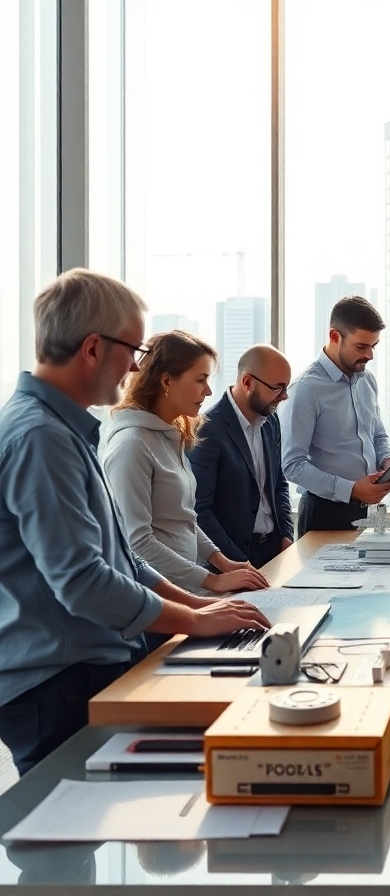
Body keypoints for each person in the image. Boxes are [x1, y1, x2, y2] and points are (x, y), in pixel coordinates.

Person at [0, 270, 269, 775]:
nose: (136, 366)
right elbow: (83, 581)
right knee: (65, 845)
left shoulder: (64, 430)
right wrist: (191, 617)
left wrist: (199, 605)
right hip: (56, 682)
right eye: (134, 350)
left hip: (81, 669)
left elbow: (119, 556)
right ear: (94, 348)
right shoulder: (40, 438)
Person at [101, 331, 269, 595]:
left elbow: (184, 520)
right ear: (166, 381)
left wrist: (224, 564)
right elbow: (137, 542)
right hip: (160, 597)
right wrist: (212, 581)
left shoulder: (169, 435)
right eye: (200, 380)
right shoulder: (132, 444)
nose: (209, 390)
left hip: (187, 587)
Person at [280, 295, 390, 536]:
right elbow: (291, 465)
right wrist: (352, 490)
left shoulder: (367, 380)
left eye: (373, 346)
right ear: (335, 336)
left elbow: (377, 433)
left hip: (370, 513)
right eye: (361, 346)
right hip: (325, 514)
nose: (370, 356)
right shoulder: (305, 389)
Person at [188, 344, 294, 569]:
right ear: (247, 382)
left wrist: (286, 535)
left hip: (273, 552)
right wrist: (238, 563)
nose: (284, 396)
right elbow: (200, 512)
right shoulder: (208, 429)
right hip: (228, 561)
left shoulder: (271, 421)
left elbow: (278, 484)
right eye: (278, 388)